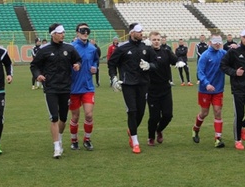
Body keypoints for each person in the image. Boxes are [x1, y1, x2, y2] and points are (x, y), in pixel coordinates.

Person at [30, 23, 81, 158]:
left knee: (63, 117)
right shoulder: (44, 50)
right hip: (50, 88)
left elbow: (78, 60)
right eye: (60, 32)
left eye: (63, 32)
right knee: (54, 117)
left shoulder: (69, 48)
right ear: (53, 34)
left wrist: (77, 65)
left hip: (65, 87)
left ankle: (59, 138)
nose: (63, 34)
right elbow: (34, 65)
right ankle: (56, 147)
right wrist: (38, 75)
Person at [108, 23, 157, 154]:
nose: (141, 33)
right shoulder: (122, 48)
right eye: (138, 31)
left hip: (143, 83)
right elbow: (111, 63)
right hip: (128, 84)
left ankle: (131, 130)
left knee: (140, 112)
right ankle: (135, 142)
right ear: (131, 33)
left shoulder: (146, 47)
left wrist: (149, 65)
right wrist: (113, 77)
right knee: (132, 111)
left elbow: (155, 63)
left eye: (142, 31)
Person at [192, 34, 227, 148]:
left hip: (218, 89)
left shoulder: (223, 54)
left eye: (219, 41)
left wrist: (235, 49)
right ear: (210, 42)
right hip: (205, 90)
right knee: (204, 113)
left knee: (217, 111)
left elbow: (233, 58)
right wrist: (206, 84)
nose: (217, 43)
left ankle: (218, 138)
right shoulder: (205, 56)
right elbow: (200, 72)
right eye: (215, 41)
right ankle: (195, 129)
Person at [69, 23, 99, 151]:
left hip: (88, 87)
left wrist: (95, 68)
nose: (85, 33)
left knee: (89, 115)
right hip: (74, 88)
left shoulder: (93, 49)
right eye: (82, 30)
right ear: (77, 32)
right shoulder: (71, 48)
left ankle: (87, 139)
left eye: (87, 30)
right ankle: (74, 140)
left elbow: (95, 62)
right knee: (75, 116)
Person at [146, 31, 178, 146]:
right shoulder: (147, 53)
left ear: (161, 40)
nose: (156, 42)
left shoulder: (166, 52)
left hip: (165, 88)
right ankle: (150, 137)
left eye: (158, 39)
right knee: (154, 116)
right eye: (154, 39)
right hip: (152, 89)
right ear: (150, 40)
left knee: (168, 115)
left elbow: (175, 60)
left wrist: (179, 62)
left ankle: (159, 130)